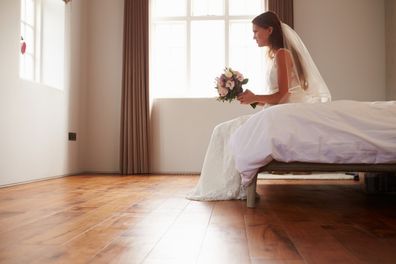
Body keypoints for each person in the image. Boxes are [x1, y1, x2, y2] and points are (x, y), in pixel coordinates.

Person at [186, 11, 331, 201]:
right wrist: (253, 99)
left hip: (281, 115)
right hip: (275, 112)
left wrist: (256, 97)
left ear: (269, 30)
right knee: (223, 130)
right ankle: (230, 185)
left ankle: (230, 186)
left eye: (256, 31)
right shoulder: (275, 56)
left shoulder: (282, 54)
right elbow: (277, 97)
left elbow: (283, 94)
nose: (253, 36)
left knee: (223, 131)